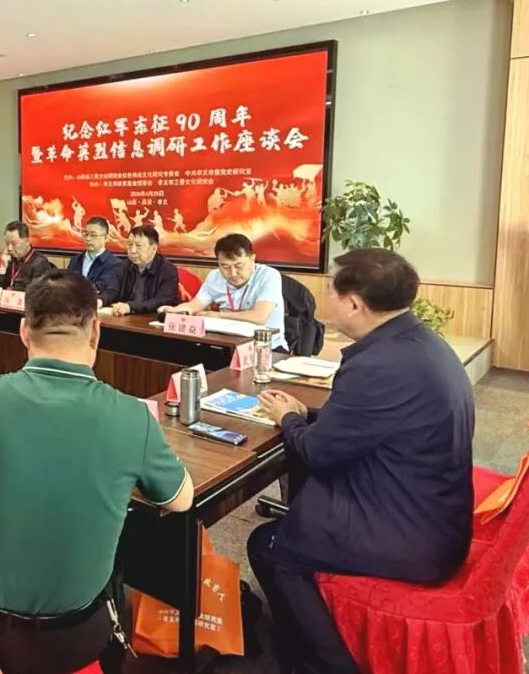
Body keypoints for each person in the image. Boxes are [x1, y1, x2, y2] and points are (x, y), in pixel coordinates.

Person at [0, 271, 194, 674]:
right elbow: (181, 499)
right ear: (96, 331)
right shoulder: (131, 415)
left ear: (24, 331)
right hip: (72, 637)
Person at [252, 249, 473, 674]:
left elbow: (318, 453)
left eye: (330, 290)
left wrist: (289, 419)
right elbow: (365, 426)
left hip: (411, 535)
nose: (325, 297)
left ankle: (327, 664)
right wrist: (303, 417)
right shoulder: (419, 343)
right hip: (432, 509)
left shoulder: (376, 366)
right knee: (297, 512)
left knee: (271, 547)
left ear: (353, 303)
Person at [160, 233, 287, 350]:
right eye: (225, 267)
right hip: (228, 344)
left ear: (252, 259)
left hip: (267, 346)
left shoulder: (269, 276)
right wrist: (174, 310)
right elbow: (194, 305)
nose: (233, 273)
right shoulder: (214, 276)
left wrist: (219, 315)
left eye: (238, 266)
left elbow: (259, 317)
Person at [109, 224, 179, 316]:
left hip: (151, 319)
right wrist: (101, 300)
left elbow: (163, 300)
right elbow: (112, 290)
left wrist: (131, 307)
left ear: (154, 248)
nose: (132, 251)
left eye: (138, 246)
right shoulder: (123, 266)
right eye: (129, 245)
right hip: (124, 317)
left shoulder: (167, 270)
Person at [66, 216, 122, 304]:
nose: (88, 239)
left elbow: (102, 288)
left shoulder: (114, 264)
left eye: (93, 235)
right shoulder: (75, 260)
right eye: (86, 234)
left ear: (106, 238)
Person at [0, 221, 56, 291]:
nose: (9, 248)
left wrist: (13, 290)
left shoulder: (39, 263)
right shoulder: (9, 259)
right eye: (7, 244)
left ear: (27, 241)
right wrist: (3, 267)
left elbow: (37, 294)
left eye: (14, 244)